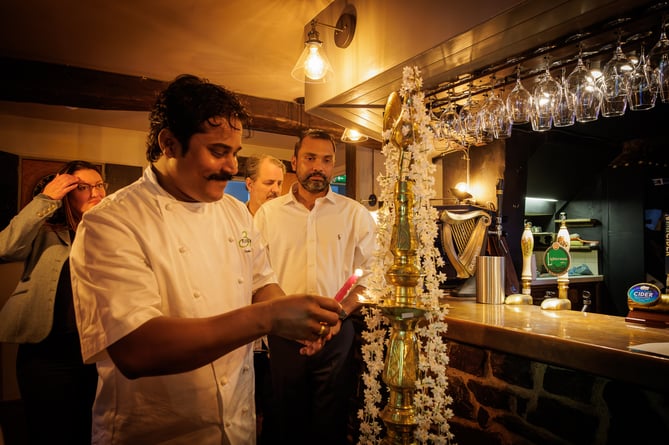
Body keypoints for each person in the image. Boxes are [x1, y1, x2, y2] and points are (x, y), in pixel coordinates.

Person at [69, 74, 342, 445]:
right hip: (156, 431)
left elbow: (261, 283)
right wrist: (270, 318)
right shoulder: (111, 222)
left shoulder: (234, 212)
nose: (232, 166)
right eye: (217, 151)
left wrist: (302, 314)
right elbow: (136, 349)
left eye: (235, 153)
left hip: (236, 422)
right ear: (169, 143)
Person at [254, 129, 377, 445]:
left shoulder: (354, 214)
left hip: (337, 334)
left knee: (331, 423)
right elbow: (256, 273)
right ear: (295, 161)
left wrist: (340, 314)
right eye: (310, 158)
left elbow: (374, 275)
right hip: (284, 336)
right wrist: (288, 320)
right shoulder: (268, 215)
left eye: (326, 160)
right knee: (284, 422)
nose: (318, 167)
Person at [0, 160, 106, 445]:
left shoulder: (111, 236)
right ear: (67, 192)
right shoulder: (46, 232)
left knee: (94, 430)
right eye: (83, 187)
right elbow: (6, 247)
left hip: (97, 351)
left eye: (99, 185)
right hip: (47, 354)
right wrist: (46, 198)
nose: (95, 192)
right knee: (49, 431)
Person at [243, 153, 286, 442]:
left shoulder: (286, 221)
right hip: (243, 332)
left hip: (276, 335)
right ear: (249, 184)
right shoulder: (235, 220)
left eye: (280, 183)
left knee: (273, 412)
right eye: (269, 182)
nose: (275, 189)